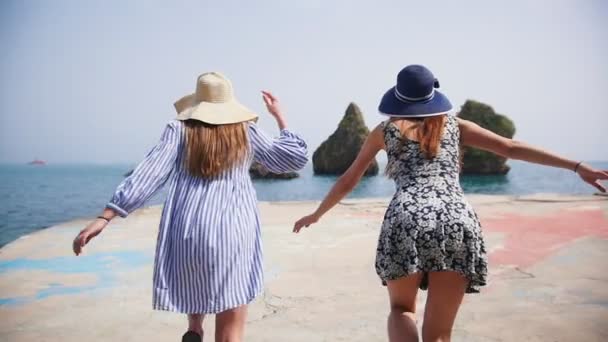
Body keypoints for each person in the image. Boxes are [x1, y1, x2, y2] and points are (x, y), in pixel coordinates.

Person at [293, 65, 608, 342]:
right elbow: (511, 148)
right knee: (440, 334)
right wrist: (577, 167)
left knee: (401, 310)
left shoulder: (385, 131)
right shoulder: (456, 126)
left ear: (398, 99)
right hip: (456, 218)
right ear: (433, 96)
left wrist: (317, 214)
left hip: (406, 218)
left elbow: (349, 178)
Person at [72, 72, 308, 342]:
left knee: (196, 277)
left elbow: (148, 175)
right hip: (233, 230)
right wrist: (280, 116)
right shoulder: (246, 130)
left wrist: (107, 216)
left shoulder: (178, 129)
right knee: (231, 325)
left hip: (187, 228)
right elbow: (291, 158)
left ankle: (195, 328)